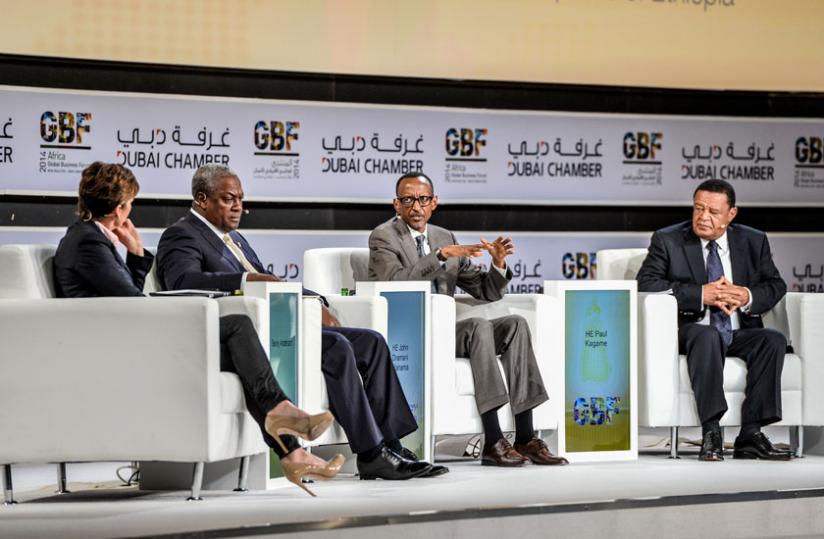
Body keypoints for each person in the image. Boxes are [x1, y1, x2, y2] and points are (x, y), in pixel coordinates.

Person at [53, 161, 343, 496]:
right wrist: (137, 257)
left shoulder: (90, 238)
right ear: (119, 208)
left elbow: (123, 296)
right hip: (122, 344)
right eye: (130, 203)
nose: (131, 209)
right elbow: (131, 302)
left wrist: (134, 254)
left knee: (240, 341)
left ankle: (292, 449)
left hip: (129, 334)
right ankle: (286, 426)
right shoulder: (87, 243)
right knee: (237, 328)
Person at [156, 164, 445, 480]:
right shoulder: (181, 234)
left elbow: (272, 280)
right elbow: (182, 281)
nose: (238, 207)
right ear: (202, 199)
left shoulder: (234, 238)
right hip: (248, 334)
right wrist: (245, 279)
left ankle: (391, 445)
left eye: (240, 198)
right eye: (228, 199)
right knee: (336, 345)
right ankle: (372, 454)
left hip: (284, 321)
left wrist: (316, 300)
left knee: (371, 341)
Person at [368, 172, 567, 467]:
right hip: (411, 332)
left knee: (515, 325)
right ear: (396, 204)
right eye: (408, 200)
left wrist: (498, 264)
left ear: (434, 202)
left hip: (447, 331)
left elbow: (486, 291)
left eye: (423, 199)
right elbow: (394, 283)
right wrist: (439, 256)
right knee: (478, 326)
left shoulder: (444, 236)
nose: (416, 207)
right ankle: (493, 439)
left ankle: (525, 436)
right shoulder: (384, 236)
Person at [636, 179, 791, 462]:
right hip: (692, 330)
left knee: (773, 340)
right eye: (698, 208)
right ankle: (711, 430)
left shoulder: (753, 240)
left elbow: (775, 285)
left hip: (737, 331)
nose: (703, 217)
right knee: (708, 335)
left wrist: (746, 295)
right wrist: (700, 294)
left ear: (731, 214)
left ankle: (751, 434)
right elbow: (646, 283)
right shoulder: (668, 239)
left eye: (713, 211)